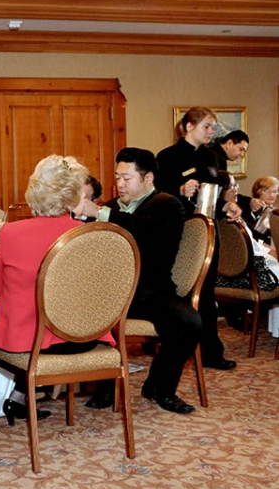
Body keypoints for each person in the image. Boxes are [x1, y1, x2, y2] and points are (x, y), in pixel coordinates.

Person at [0, 155, 117, 424]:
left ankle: (1, 400)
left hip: (28, 344)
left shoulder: (10, 233)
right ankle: (18, 399)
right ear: (74, 194)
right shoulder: (89, 234)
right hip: (83, 337)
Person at [75, 147, 200, 414]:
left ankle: (160, 387)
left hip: (150, 291)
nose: (120, 184)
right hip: (110, 293)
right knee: (83, 309)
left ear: (148, 178)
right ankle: (105, 387)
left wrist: (102, 214)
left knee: (189, 322)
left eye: (127, 178)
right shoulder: (110, 206)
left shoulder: (168, 205)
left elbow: (149, 234)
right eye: (117, 177)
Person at [156, 107, 239, 371]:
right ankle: (175, 347)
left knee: (206, 294)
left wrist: (229, 206)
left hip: (208, 233)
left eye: (213, 127)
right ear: (189, 126)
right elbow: (158, 195)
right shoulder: (167, 157)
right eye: (207, 126)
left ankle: (211, 353)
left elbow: (214, 198)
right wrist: (179, 189)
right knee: (178, 292)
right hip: (179, 233)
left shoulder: (213, 157)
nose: (211, 132)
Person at [239, 176, 279, 243]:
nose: (272, 195)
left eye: (275, 192)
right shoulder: (246, 209)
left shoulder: (275, 212)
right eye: (267, 191)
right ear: (257, 191)